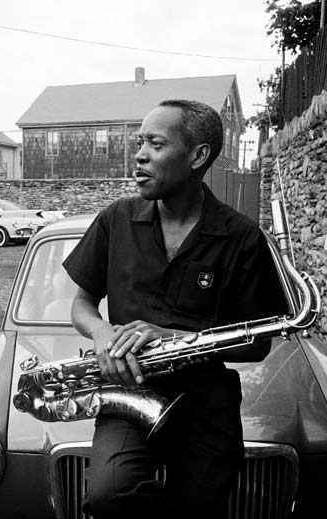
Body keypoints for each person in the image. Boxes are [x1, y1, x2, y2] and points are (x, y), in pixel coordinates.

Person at [62, 99, 288, 518]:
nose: (140, 155)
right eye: (140, 142)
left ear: (198, 156)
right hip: (128, 392)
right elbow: (82, 304)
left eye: (156, 144)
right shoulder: (117, 218)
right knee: (109, 497)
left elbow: (257, 344)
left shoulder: (242, 238)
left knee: (201, 507)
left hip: (205, 402)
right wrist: (102, 334)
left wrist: (173, 338)